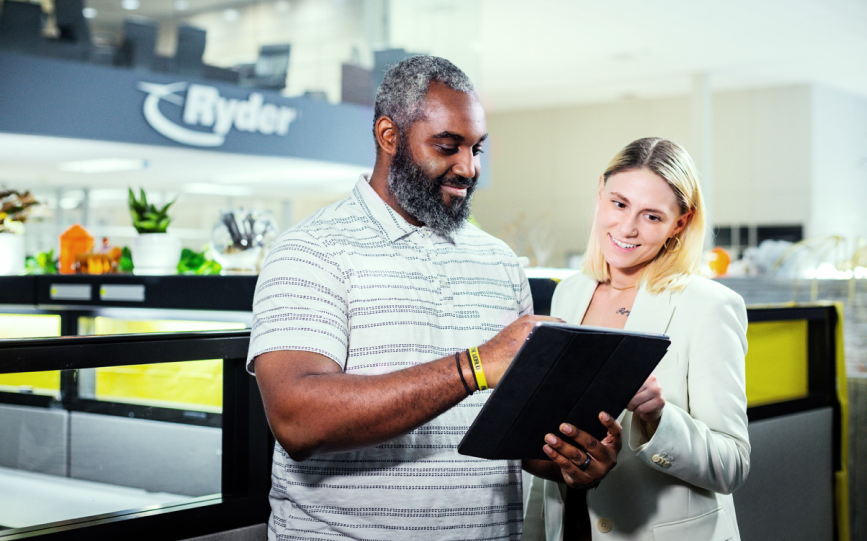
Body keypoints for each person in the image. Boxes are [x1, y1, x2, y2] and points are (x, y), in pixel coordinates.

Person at [247, 55, 623, 540]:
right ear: (388, 135)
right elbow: (298, 420)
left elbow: (520, 440)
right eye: (447, 147)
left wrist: (572, 460)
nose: (468, 168)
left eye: (477, 149)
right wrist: (473, 366)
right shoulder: (309, 251)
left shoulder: (501, 262)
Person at [524, 137, 750, 541]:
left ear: (680, 223)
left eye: (652, 216)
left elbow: (731, 464)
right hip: (571, 524)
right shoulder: (570, 293)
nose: (626, 228)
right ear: (600, 193)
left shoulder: (709, 307)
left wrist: (658, 417)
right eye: (619, 203)